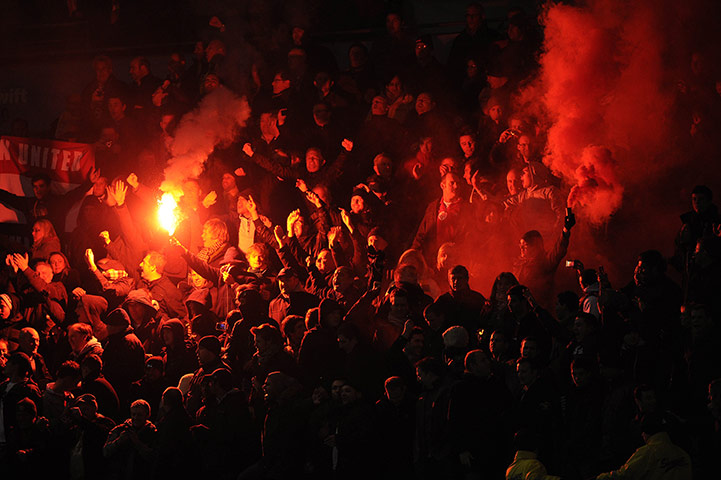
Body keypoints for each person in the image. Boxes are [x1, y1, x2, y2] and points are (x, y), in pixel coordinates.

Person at [596, 413, 692, 480]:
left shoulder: (647, 453)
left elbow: (625, 475)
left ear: (645, 432)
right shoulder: (682, 454)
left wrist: (601, 477)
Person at [103, 399, 158, 480]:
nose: (135, 417)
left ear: (147, 415)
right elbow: (105, 452)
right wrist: (119, 441)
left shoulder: (152, 433)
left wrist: (137, 443)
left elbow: (154, 457)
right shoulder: (120, 430)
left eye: (139, 415)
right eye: (133, 414)